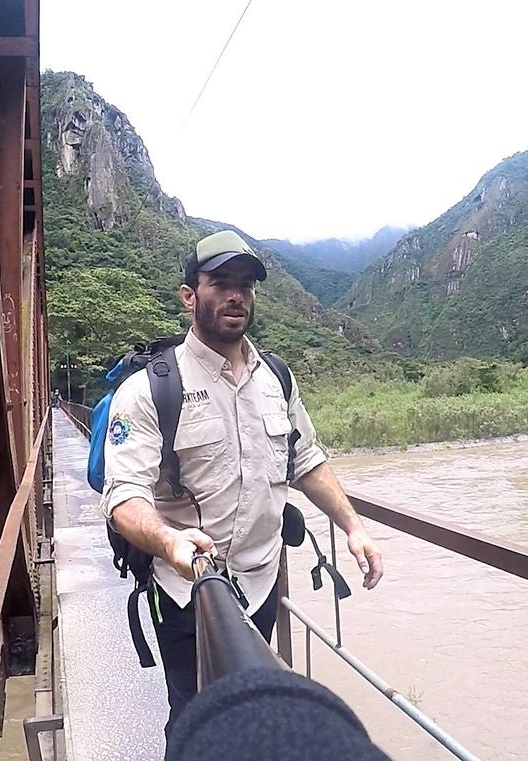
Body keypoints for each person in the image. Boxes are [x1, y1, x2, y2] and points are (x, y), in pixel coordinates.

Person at [100, 229, 386, 740]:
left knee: (253, 713)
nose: (236, 295)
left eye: (246, 285)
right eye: (220, 283)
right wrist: (170, 542)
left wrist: (352, 525)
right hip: (185, 587)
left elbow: (306, 459)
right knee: (194, 720)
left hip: (261, 581)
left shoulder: (277, 378)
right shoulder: (150, 389)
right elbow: (124, 498)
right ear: (189, 295)